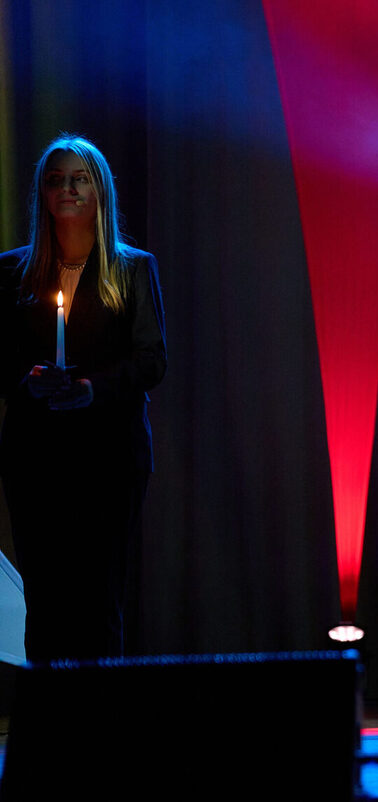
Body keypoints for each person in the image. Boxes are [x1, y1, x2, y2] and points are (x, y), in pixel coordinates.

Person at [0, 135, 167, 661]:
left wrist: (93, 388)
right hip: (35, 456)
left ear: (100, 191)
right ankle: (47, 709)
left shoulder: (132, 269)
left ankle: (99, 710)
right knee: (45, 600)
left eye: (80, 179)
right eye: (56, 180)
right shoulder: (11, 271)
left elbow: (151, 359)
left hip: (109, 457)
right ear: (43, 194)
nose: (68, 188)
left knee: (99, 598)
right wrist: (26, 380)